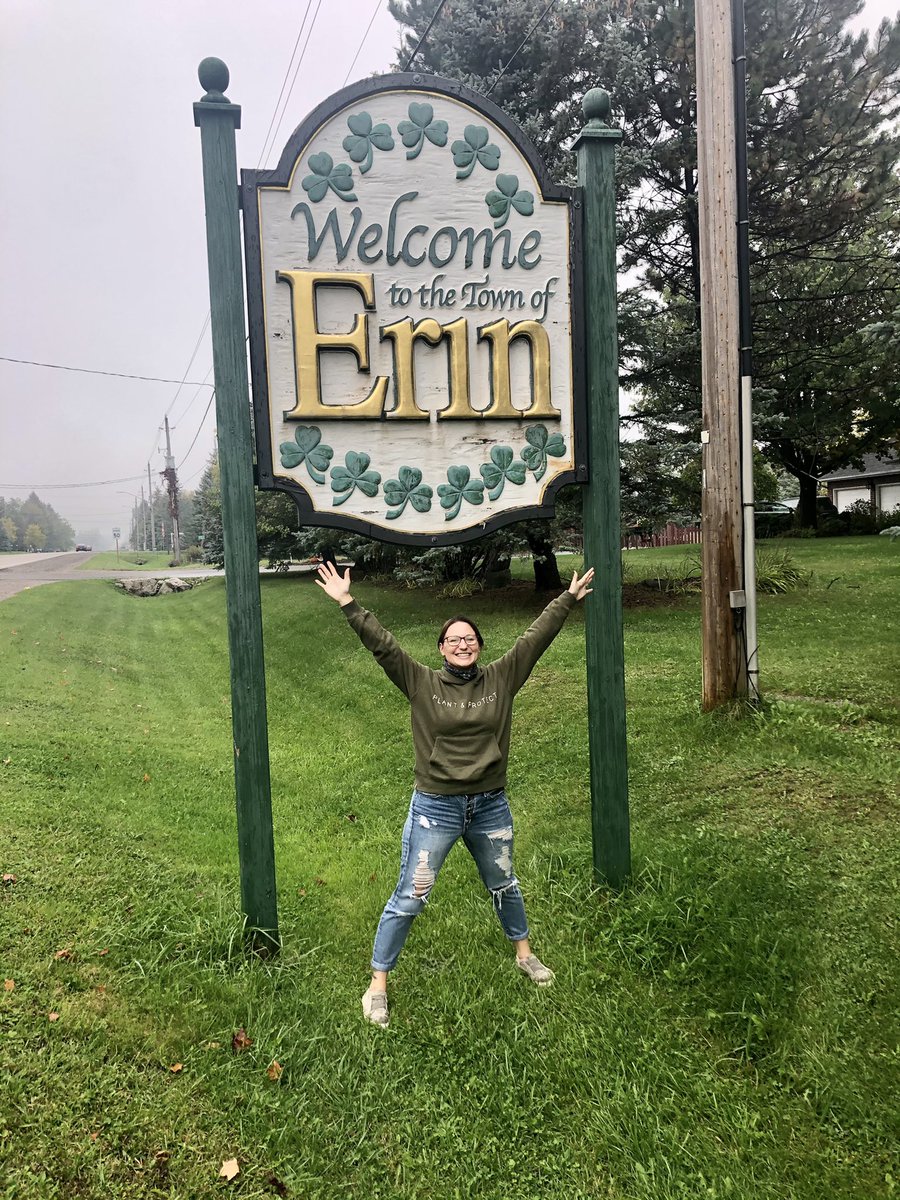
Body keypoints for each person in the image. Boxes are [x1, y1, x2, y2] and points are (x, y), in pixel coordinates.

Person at [316, 561, 594, 1028]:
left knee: (505, 883)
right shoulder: (421, 682)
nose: (462, 644)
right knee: (411, 894)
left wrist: (566, 599)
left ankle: (525, 955)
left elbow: (535, 638)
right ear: (441, 648)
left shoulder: (501, 679)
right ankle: (378, 985)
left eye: (470, 639)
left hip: (490, 805)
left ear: (480, 647)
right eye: (453, 640)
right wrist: (348, 602)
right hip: (436, 809)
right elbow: (383, 647)